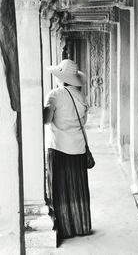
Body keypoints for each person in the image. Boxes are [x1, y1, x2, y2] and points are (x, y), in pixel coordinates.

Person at [43, 59, 92, 246]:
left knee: (60, 188)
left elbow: (46, 120)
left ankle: (65, 227)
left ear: (61, 78)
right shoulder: (81, 97)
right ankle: (81, 226)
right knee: (77, 189)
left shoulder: (55, 95)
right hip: (78, 147)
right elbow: (84, 121)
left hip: (59, 147)